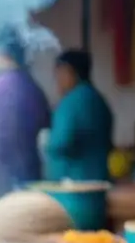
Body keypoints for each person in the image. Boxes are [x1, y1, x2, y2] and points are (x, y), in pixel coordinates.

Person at [0, 35, 51, 208]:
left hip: (1, 173)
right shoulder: (34, 88)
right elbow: (46, 123)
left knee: (3, 222)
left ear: (2, 55)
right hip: (30, 169)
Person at [44, 49, 114, 182]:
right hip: (99, 181)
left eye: (59, 74)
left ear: (70, 72)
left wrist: (44, 141)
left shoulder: (70, 103)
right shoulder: (99, 101)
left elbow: (59, 143)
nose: (57, 81)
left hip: (72, 185)